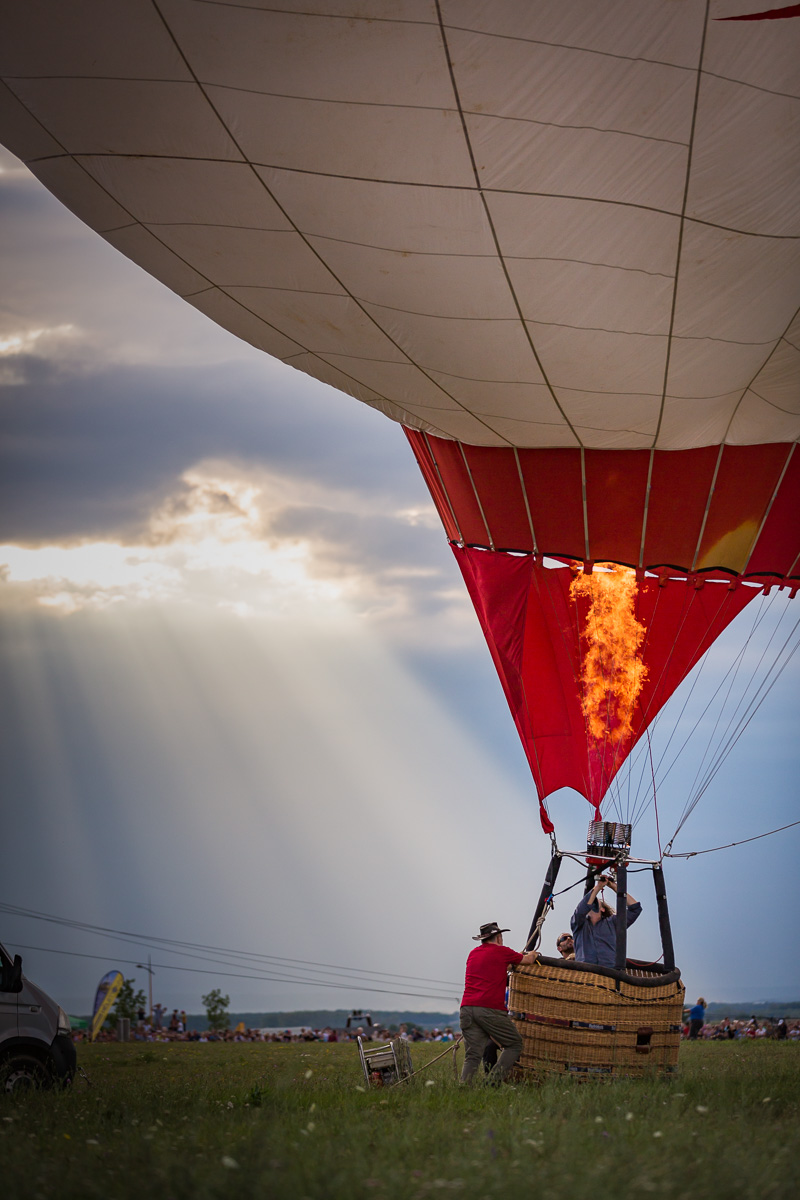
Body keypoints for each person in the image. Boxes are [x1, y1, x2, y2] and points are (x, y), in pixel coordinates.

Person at [460, 921, 538, 1083]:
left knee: (473, 1055)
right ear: (498, 937)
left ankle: (464, 1088)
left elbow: (500, 967)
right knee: (514, 1044)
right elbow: (528, 960)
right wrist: (534, 954)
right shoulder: (502, 951)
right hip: (489, 1009)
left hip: (466, 1008)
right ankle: (492, 1082)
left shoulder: (473, 953)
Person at [571, 875, 641, 968]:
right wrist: (598, 887)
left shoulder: (612, 923)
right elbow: (580, 910)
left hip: (609, 972)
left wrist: (614, 886)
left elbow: (635, 909)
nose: (593, 903)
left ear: (603, 909)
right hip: (585, 972)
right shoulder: (579, 924)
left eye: (596, 902)